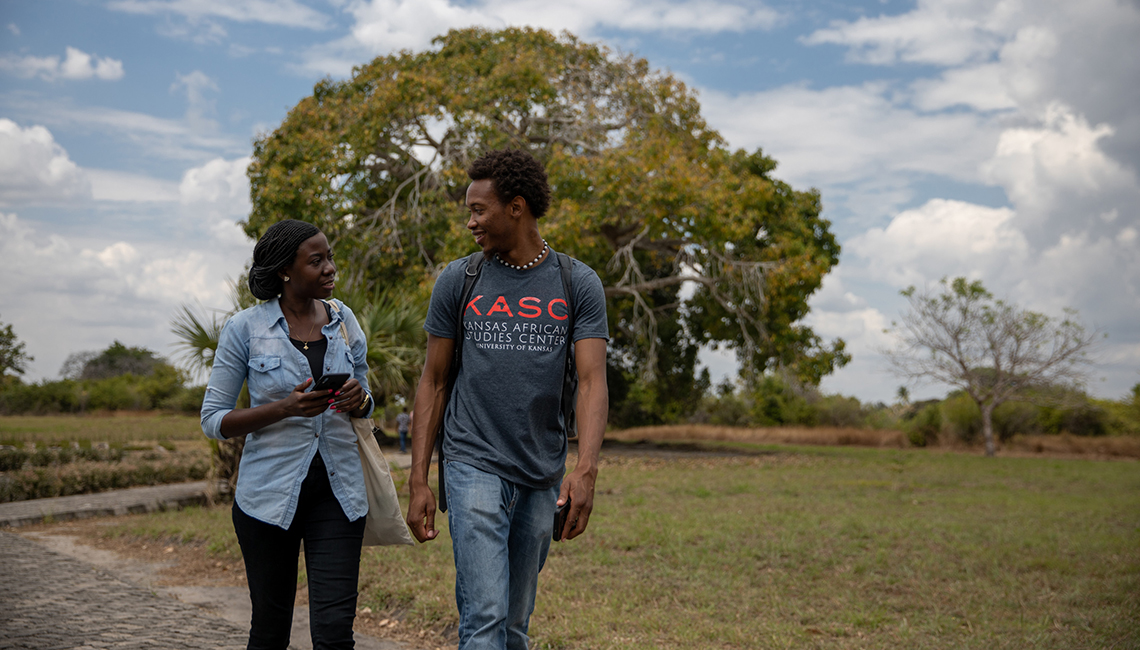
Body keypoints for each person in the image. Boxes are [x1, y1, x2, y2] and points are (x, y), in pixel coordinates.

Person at [406, 149, 609, 650]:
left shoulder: (575, 282)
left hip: (541, 471)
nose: (470, 221)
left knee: (515, 621)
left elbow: (591, 381)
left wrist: (584, 469)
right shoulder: (461, 279)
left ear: (516, 207)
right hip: (472, 459)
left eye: (479, 210)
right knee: (486, 615)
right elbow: (432, 381)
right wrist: (417, 479)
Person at [200, 219, 375, 650]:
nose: (330, 268)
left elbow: (369, 396)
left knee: (335, 634)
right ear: (284, 270)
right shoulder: (245, 328)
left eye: (330, 257)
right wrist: (283, 408)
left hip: (339, 495)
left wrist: (360, 398)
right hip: (266, 499)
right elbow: (213, 419)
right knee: (270, 631)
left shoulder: (344, 320)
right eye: (317, 261)